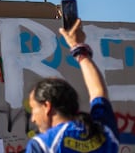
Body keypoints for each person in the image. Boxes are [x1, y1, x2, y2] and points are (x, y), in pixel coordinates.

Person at [26, 18, 120, 152]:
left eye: (33, 109)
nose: (33, 119)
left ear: (47, 106)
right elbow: (98, 92)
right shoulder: (103, 133)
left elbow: (98, 93)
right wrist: (79, 49)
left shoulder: (42, 144)